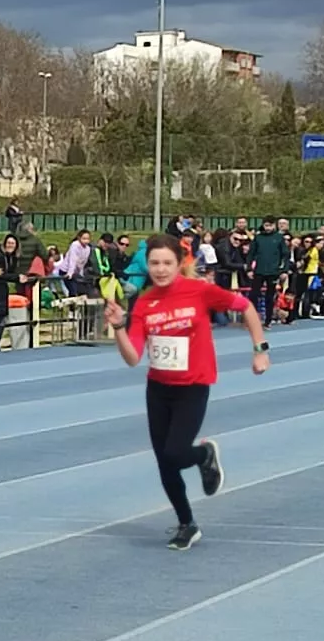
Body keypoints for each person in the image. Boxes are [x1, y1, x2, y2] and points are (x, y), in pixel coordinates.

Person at [105, 233, 271, 551]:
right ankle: (187, 524)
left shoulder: (199, 291)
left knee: (176, 453)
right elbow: (133, 357)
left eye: (167, 263)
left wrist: (260, 349)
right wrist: (118, 328)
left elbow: (246, 307)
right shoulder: (145, 303)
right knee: (165, 463)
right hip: (159, 388)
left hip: (193, 386)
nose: (160, 269)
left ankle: (204, 454)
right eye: (154, 263)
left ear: (179, 263)